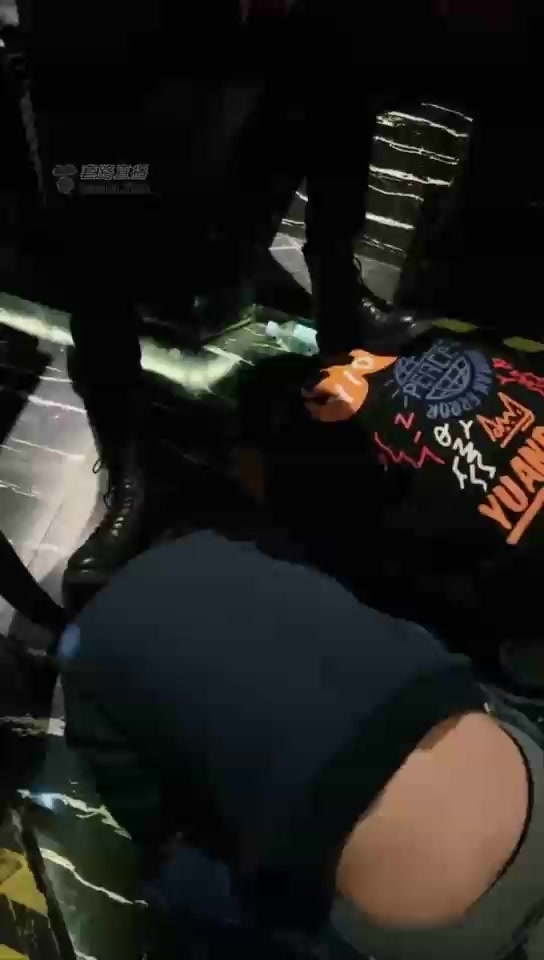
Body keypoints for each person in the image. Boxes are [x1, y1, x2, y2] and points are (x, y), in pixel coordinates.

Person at [60, 0, 432, 598]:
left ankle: (339, 301)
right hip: (137, 70)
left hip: (265, 41)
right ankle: (132, 474)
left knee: (335, 71)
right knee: (95, 225)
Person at [60, 530, 544, 959]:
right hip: (528, 778)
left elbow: (150, 823)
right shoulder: (211, 547)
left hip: (447, 927)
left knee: (185, 885)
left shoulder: (83, 660)